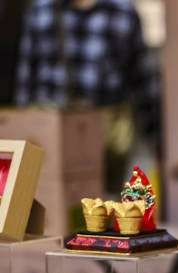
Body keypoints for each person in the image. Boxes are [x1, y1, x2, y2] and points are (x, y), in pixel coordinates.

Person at [15, 0, 161, 192]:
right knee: (49, 198)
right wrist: (21, 133)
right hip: (49, 128)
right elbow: (26, 81)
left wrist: (157, 138)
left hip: (107, 131)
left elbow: (143, 81)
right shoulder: (41, 10)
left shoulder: (122, 12)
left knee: (102, 202)